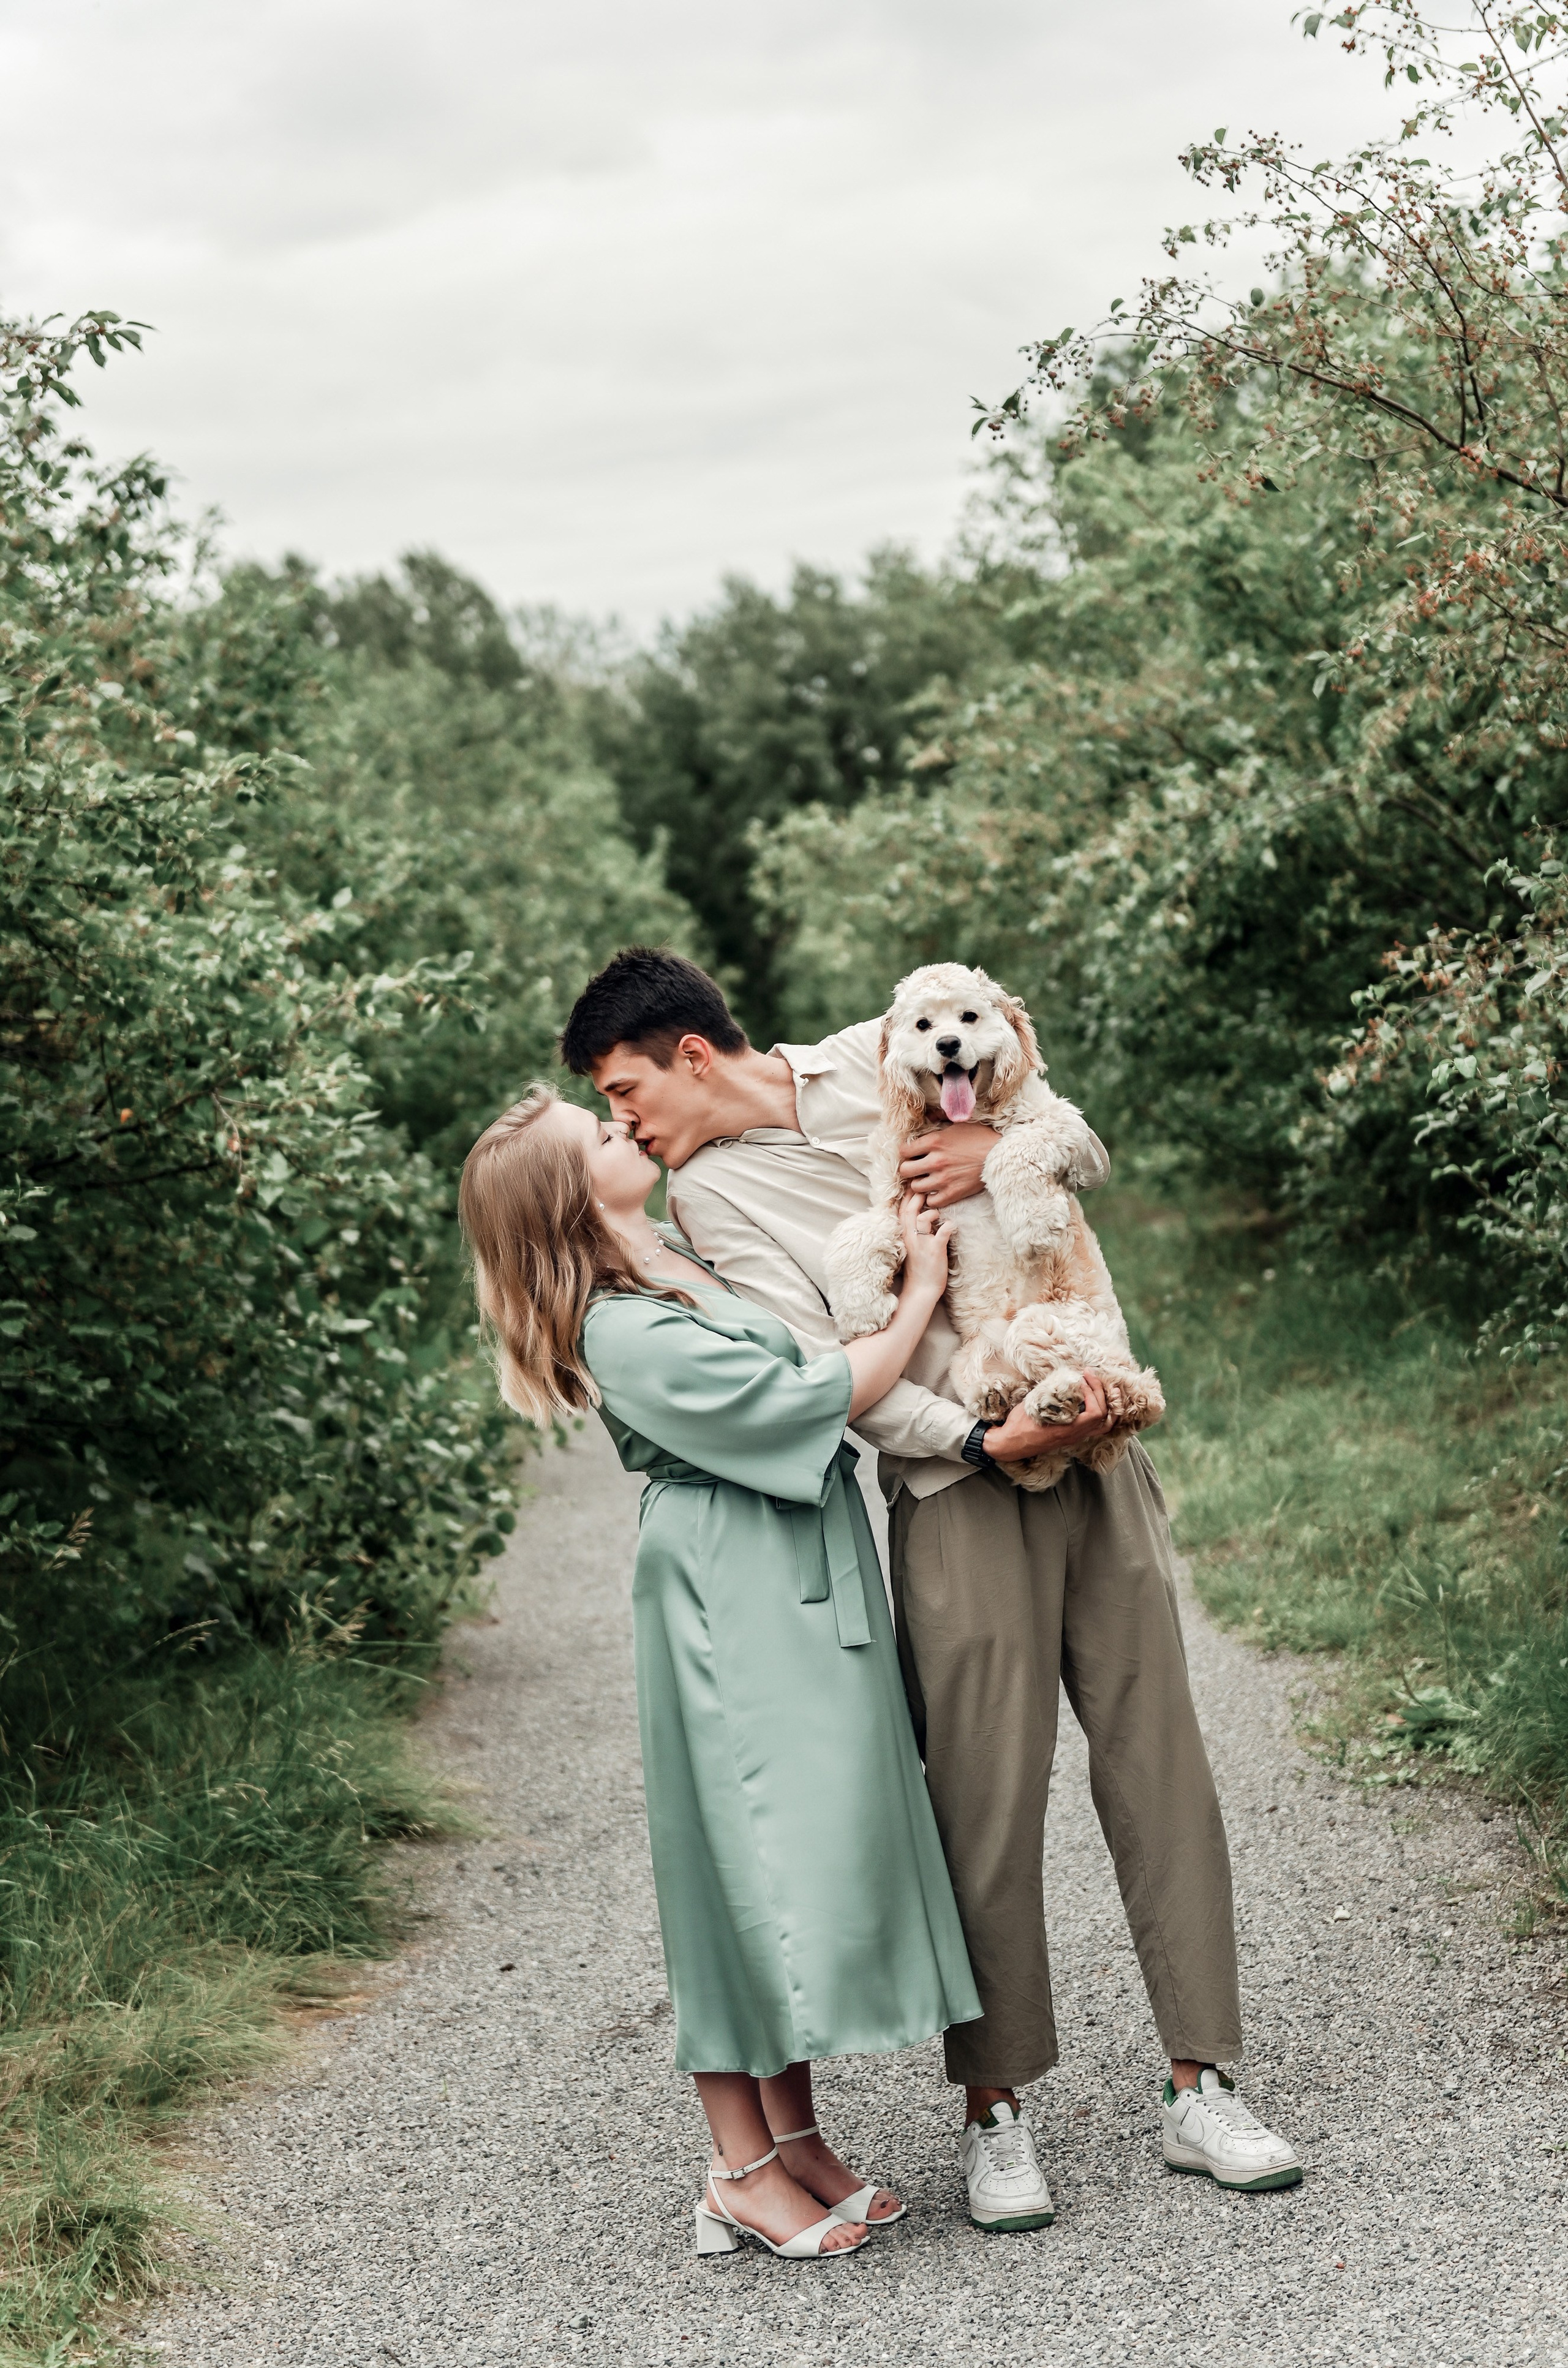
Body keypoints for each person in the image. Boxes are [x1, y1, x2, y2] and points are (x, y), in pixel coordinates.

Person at [559, 948, 1303, 2230]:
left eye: (626, 1091)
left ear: (690, 1052)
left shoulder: (884, 1049)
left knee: (1157, 1758)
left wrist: (992, 1157)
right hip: (957, 1490)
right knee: (981, 1804)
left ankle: (1202, 2085)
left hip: (1098, 1437)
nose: (624, 1122)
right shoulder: (716, 1205)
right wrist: (969, 1441)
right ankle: (995, 2109)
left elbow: (1057, 1140)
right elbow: (831, 1362)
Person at [459, 1085, 982, 2263]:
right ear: (569, 1194)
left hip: (786, 1562)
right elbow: (807, 1394)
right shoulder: (617, 1324)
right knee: (734, 1863)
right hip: (724, 1587)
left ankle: (794, 2135)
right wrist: (920, 1302)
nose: (622, 1127)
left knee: (793, 1853)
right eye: (597, 1136)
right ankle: (737, 2169)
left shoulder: (663, 1253)